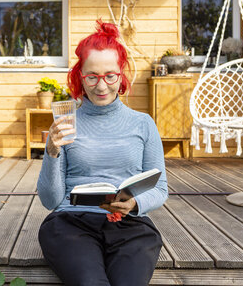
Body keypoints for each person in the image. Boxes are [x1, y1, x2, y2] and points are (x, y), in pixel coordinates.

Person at [37, 20, 168, 286]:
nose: (101, 86)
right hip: (70, 224)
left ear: (121, 75)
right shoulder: (66, 123)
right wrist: (51, 152)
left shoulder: (143, 123)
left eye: (110, 75)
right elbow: (51, 200)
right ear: (79, 76)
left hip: (130, 225)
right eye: (92, 76)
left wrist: (135, 204)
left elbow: (161, 188)